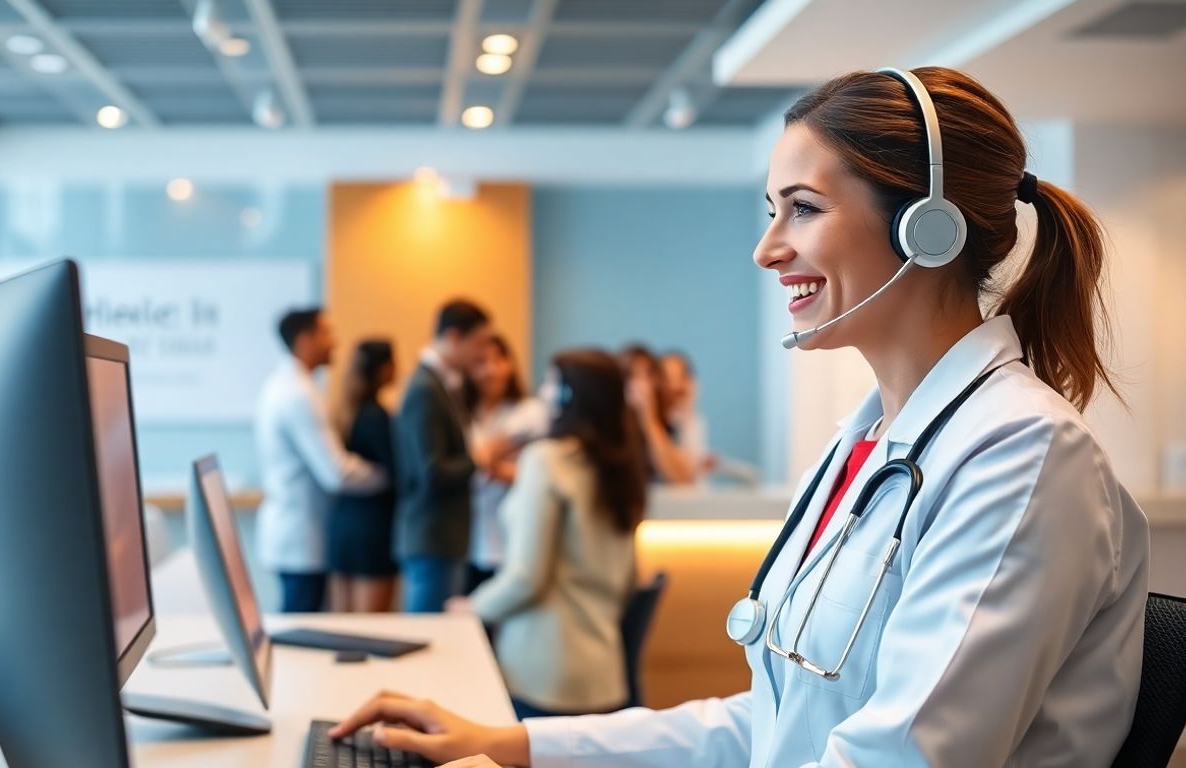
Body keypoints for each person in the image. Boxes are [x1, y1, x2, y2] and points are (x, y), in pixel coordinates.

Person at [330, 66, 1149, 767]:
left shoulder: (1023, 455)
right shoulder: (866, 446)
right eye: (771, 211)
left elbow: (899, 760)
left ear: (925, 228)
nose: (768, 249)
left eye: (804, 208)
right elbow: (770, 724)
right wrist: (510, 742)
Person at [447, 349, 647, 719]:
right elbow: (629, 578)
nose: (542, 393)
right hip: (603, 673)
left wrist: (472, 607)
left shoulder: (547, 460)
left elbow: (526, 577)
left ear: (568, 395)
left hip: (545, 670)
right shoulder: (621, 466)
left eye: (551, 383)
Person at [254, 308, 387, 613]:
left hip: (297, 533)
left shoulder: (287, 385)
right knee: (301, 627)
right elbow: (336, 473)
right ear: (305, 340)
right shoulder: (298, 394)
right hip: (301, 538)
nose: (334, 342)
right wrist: (390, 475)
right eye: (326, 333)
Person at [394, 299, 497, 613]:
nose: (482, 353)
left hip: (441, 537)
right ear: (453, 337)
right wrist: (479, 459)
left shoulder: (440, 383)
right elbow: (432, 472)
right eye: (479, 343)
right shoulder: (426, 388)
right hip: (433, 536)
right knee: (429, 632)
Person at [462, 334, 549, 594]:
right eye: (480, 362)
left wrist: (487, 464)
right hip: (468, 538)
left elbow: (537, 474)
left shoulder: (531, 412)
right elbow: (480, 460)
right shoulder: (461, 414)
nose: (490, 370)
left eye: (497, 361)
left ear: (510, 364)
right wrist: (490, 461)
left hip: (512, 536)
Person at [328, 339, 398, 613]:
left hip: (345, 522)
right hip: (372, 528)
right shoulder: (376, 416)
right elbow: (396, 471)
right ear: (384, 369)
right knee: (370, 624)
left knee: (345, 621)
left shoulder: (350, 412)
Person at [620, 344, 698, 485]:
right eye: (631, 375)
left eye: (648, 375)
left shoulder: (665, 424)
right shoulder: (612, 426)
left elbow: (683, 478)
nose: (642, 385)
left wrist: (650, 420)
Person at [659, 350, 713, 476]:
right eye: (667, 378)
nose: (674, 386)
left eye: (680, 377)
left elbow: (692, 470)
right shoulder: (654, 422)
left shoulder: (694, 420)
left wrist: (689, 411)